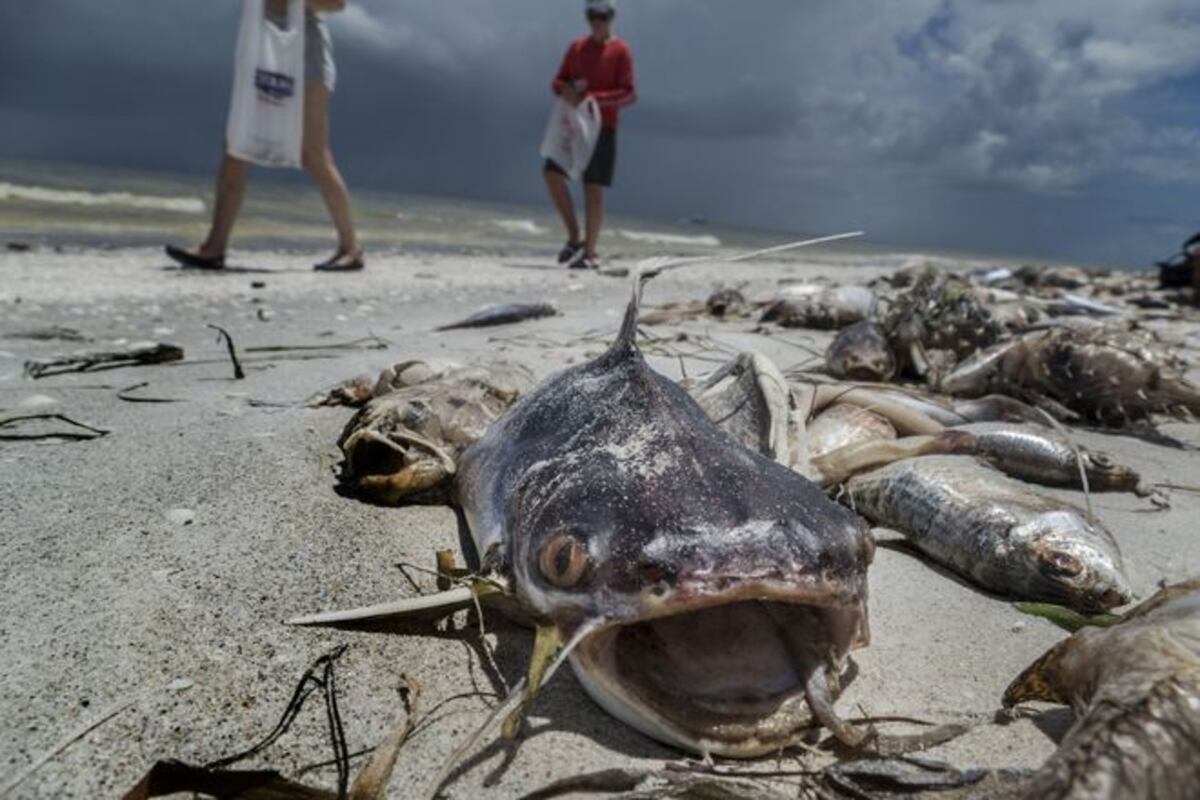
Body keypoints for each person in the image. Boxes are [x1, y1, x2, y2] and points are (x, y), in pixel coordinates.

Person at [166, 0, 363, 272]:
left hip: (305, 56)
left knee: (313, 153)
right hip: (264, 52)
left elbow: (336, 4)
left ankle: (350, 248)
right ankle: (214, 246)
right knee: (236, 144)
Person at [543, 0, 637, 270]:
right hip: (572, 125)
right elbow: (557, 81)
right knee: (551, 172)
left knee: (593, 186)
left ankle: (590, 251)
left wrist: (593, 97)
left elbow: (629, 93)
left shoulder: (621, 51)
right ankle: (575, 236)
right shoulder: (577, 48)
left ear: (612, 17)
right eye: (592, 15)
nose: (597, 21)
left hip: (602, 127)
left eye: (603, 16)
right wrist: (567, 90)